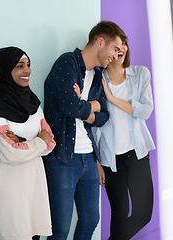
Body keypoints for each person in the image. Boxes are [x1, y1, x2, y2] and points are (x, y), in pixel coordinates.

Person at [43, 21, 126, 240]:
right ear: (100, 42)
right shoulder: (67, 63)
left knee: (90, 221)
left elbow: (104, 116)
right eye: (115, 49)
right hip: (62, 157)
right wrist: (92, 106)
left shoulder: (98, 75)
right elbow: (70, 107)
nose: (116, 56)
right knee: (59, 228)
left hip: (88, 157)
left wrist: (85, 104)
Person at [0, 46, 56, 240]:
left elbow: (51, 142)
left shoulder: (33, 103)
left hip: (35, 190)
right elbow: (12, 153)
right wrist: (37, 142)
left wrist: (22, 141)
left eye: (28, 65)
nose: (27, 70)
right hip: (9, 196)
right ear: (3, 70)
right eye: (19, 66)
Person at [96, 37, 155, 240]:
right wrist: (97, 161)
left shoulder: (140, 74)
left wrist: (111, 98)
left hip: (137, 153)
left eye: (124, 44)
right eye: (116, 45)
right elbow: (94, 125)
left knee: (142, 214)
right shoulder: (97, 79)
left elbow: (145, 110)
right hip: (110, 160)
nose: (121, 49)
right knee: (119, 214)